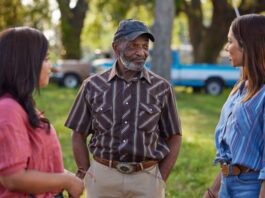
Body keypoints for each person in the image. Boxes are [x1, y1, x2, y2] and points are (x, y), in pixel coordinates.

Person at [65, 19, 182, 198]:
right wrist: (85, 172)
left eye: (145, 46)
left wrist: (160, 178)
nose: (141, 52)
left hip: (147, 178)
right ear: (116, 47)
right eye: (134, 46)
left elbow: (174, 136)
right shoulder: (92, 85)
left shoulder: (162, 88)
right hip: (102, 177)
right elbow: (78, 133)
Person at [0, 27, 84, 198]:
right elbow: (13, 178)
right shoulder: (8, 109)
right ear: (26, 63)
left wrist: (65, 175)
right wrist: (66, 181)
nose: (50, 66)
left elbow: (35, 162)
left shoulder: (22, 105)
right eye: (45, 59)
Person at [204, 14, 265, 198]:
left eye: (230, 41)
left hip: (252, 187)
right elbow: (230, 152)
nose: (226, 47)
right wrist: (213, 191)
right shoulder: (238, 89)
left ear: (247, 45)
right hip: (226, 184)